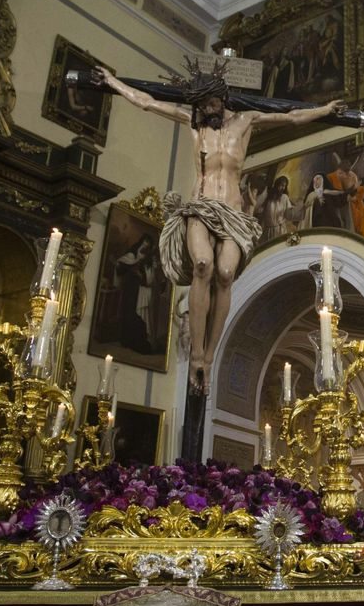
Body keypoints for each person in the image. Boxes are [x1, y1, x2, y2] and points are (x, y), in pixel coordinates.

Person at [95, 60, 345, 390]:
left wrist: (324, 109)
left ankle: (210, 356)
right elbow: (147, 102)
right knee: (203, 265)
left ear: (221, 98)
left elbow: (291, 116)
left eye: (210, 103)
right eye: (200, 104)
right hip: (200, 207)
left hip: (235, 214)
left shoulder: (245, 121)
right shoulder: (194, 124)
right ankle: (196, 354)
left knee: (225, 274)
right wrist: (113, 81)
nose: (206, 109)